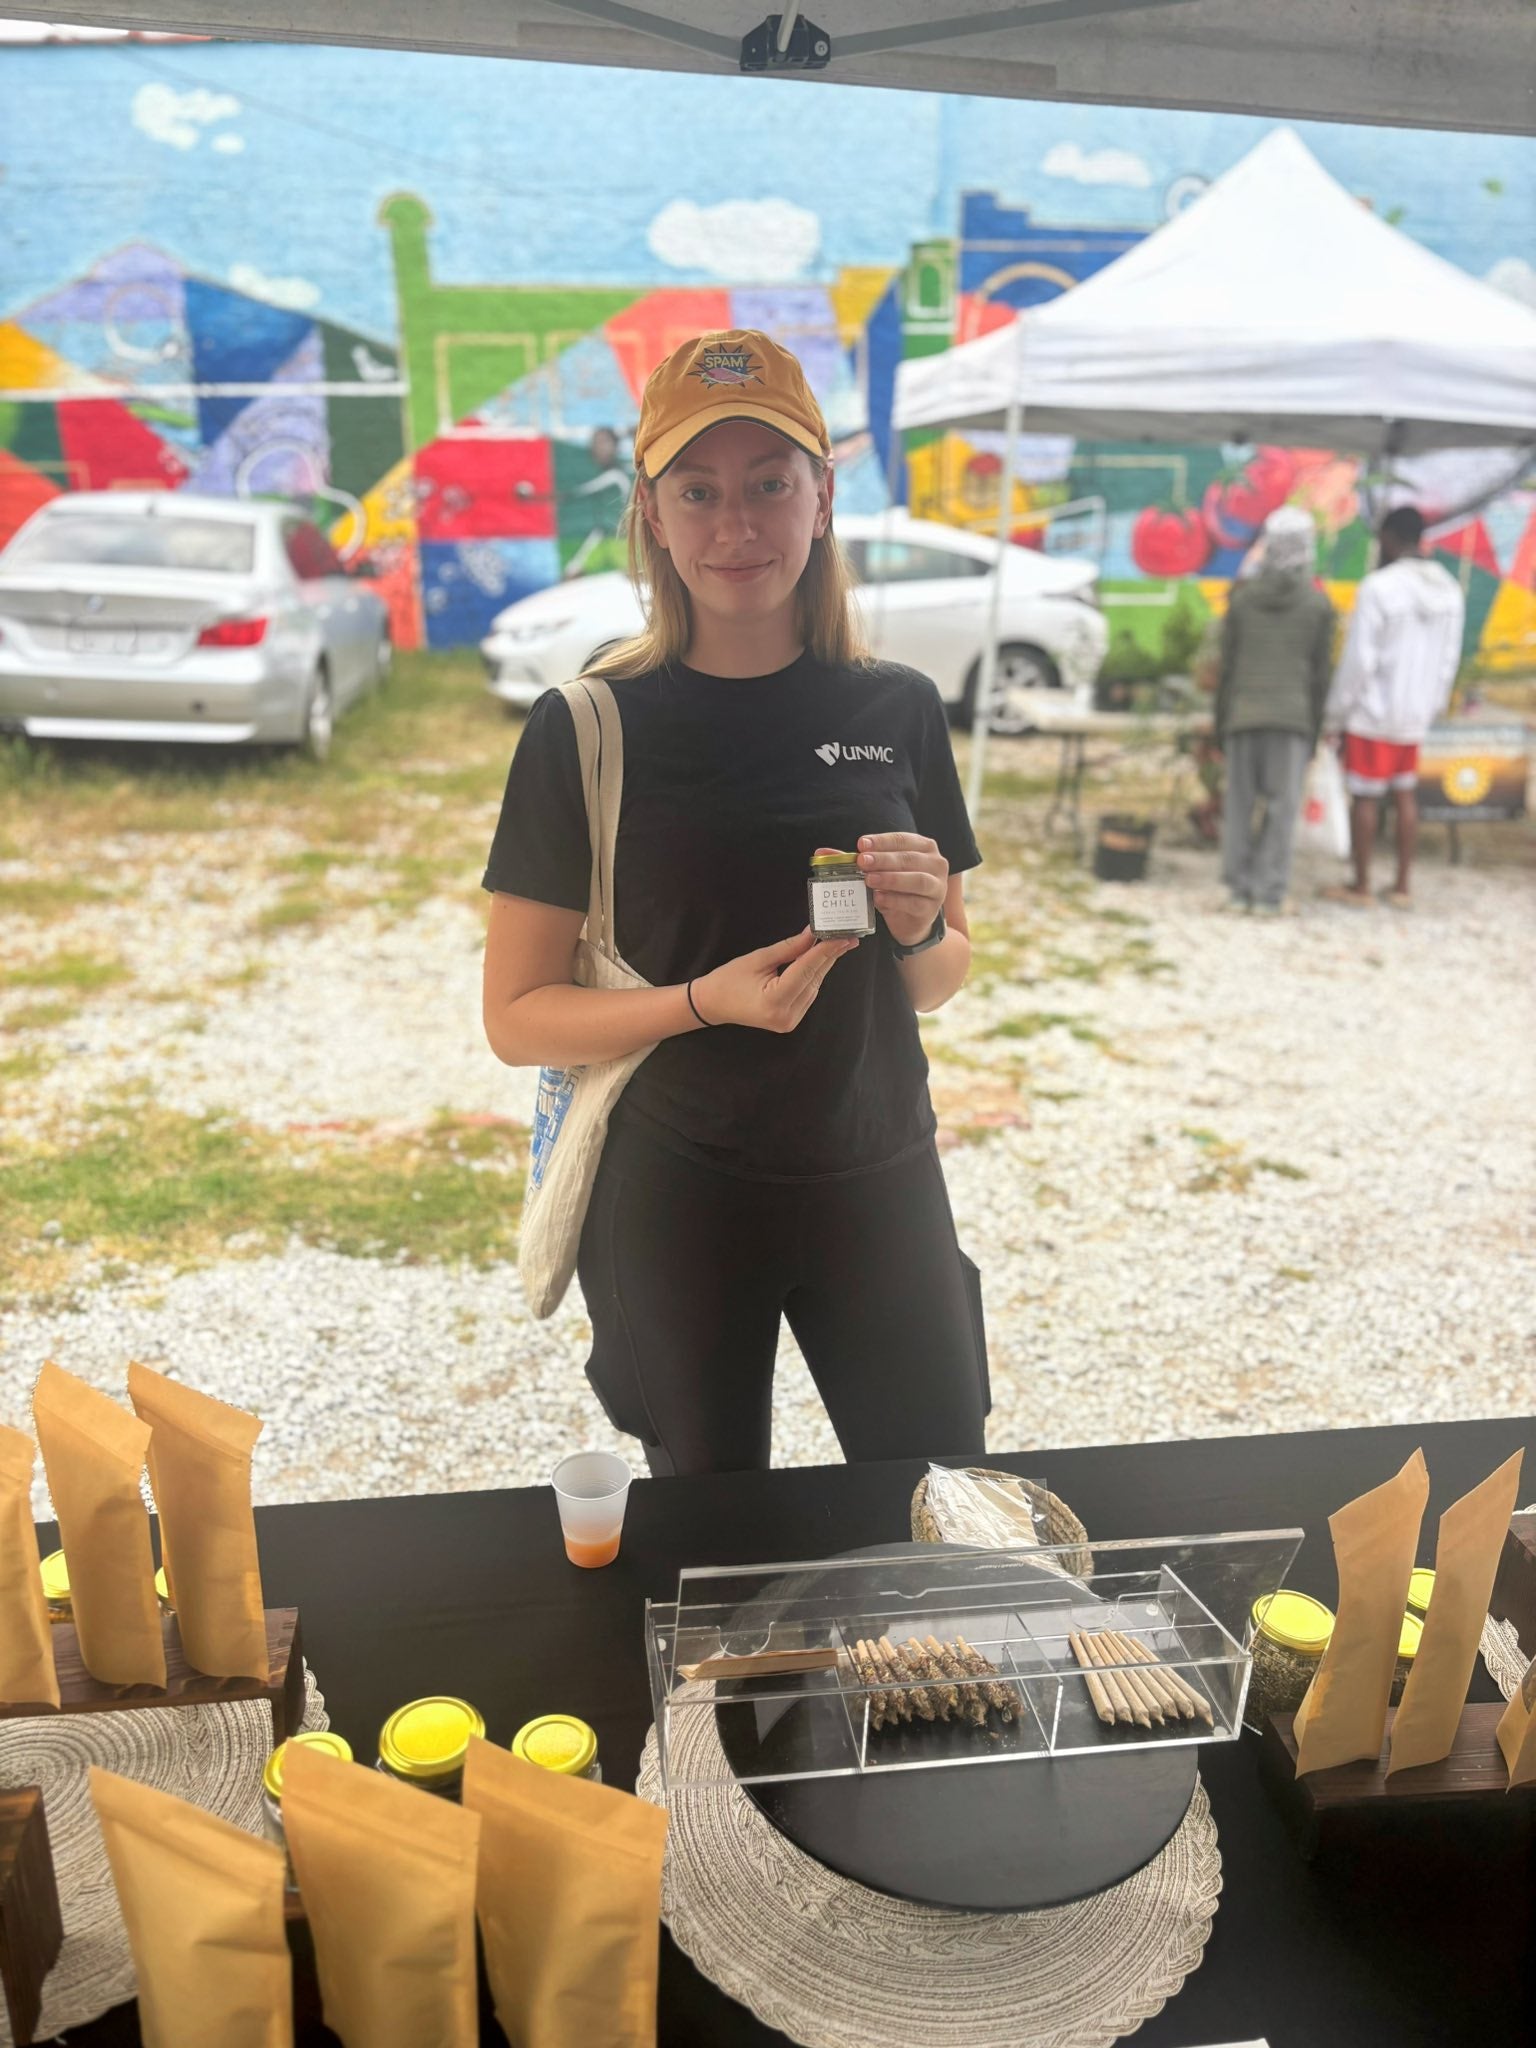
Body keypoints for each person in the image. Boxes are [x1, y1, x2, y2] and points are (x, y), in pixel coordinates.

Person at [480, 329, 988, 1477]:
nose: (737, 525)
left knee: (940, 1505)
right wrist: (701, 1001)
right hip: (679, 1189)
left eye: (771, 482)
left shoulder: (899, 706)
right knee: (712, 1545)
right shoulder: (587, 724)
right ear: (652, 513)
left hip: (882, 1172)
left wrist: (917, 927)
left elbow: (944, 968)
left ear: (822, 496)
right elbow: (515, 1017)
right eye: (698, 490)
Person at [1322, 505, 1465, 909]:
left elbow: (1358, 661)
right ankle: (1402, 885)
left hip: (1372, 712)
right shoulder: (1450, 590)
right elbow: (1448, 659)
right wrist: (1433, 705)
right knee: (1405, 795)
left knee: (1365, 798)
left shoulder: (1378, 588)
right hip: (1416, 713)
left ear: (1387, 537)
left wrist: (1336, 713)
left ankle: (1362, 885)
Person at [1214, 506, 1336, 914]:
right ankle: (1269, 892)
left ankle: (1237, 888)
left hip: (1243, 713)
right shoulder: (1319, 607)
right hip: (1292, 720)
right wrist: (1315, 731)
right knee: (1283, 809)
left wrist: (1220, 724)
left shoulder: (1243, 601)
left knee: (1239, 804)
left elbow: (1226, 670)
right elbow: (1320, 678)